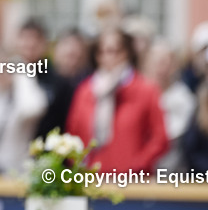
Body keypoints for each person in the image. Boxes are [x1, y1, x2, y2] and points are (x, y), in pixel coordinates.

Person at [65, 29, 168, 173]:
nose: (108, 57)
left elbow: (160, 138)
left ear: (127, 53)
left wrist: (137, 164)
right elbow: (73, 134)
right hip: (93, 176)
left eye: (114, 51)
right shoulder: (86, 90)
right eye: (102, 52)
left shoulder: (145, 89)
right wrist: (81, 164)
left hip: (133, 180)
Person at [16, 18, 73, 139]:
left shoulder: (59, 82)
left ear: (44, 43)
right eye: (25, 38)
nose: (30, 44)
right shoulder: (8, 78)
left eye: (35, 39)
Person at [144, 39, 197, 171]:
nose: (160, 67)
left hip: (172, 171)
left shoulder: (184, 99)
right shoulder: (136, 94)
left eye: (165, 62)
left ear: (174, 65)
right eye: (156, 62)